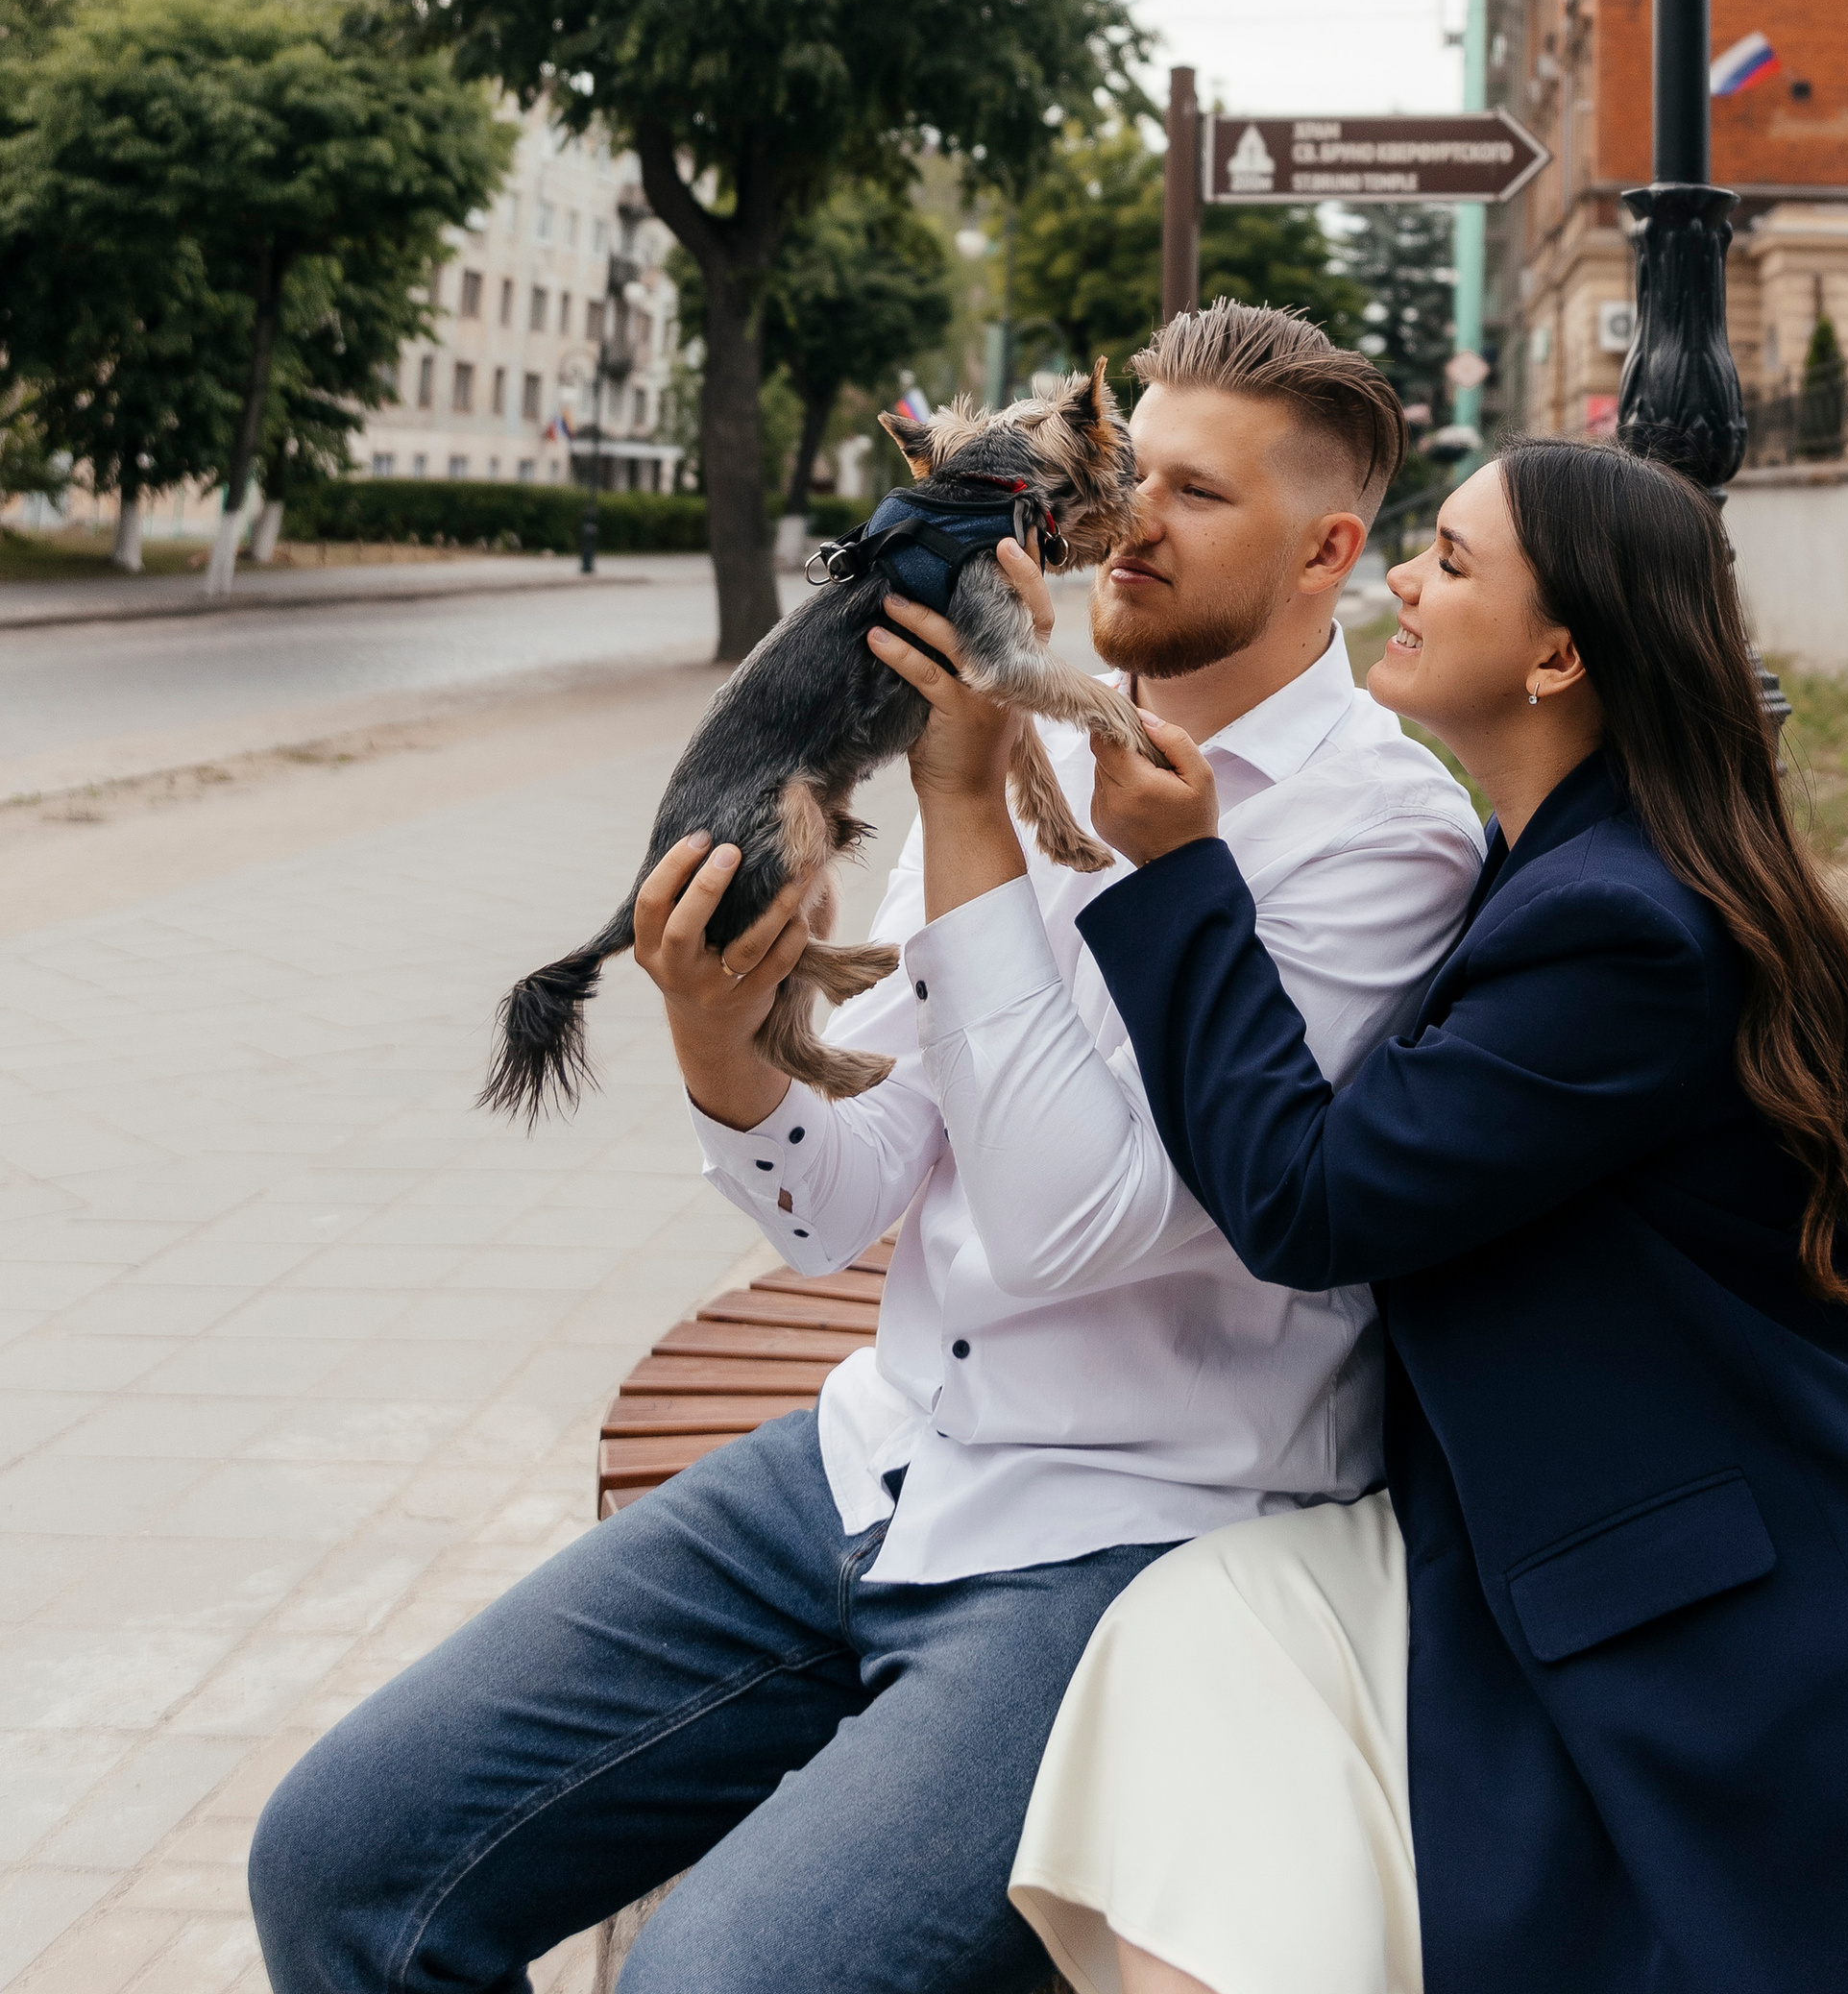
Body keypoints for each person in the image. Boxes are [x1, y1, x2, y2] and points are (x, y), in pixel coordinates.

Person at [248, 303, 1486, 1994]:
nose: (1122, 515)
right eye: (1129, 470)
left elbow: (1065, 1231)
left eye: (1192, 493)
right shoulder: (1036, 717)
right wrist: (718, 1038)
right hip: (874, 1458)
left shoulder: (1381, 836)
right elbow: (842, 1200)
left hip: (1123, 1544)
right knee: (334, 1861)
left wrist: (967, 806)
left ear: (1328, 551)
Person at [992, 438, 1848, 1994]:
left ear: (1560, 652)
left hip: (1766, 1643)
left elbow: (1313, 1203)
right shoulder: (1570, 866)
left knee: (1213, 1709)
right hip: (1577, 1523)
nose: (1401, 579)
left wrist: (1184, 879)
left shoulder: (1618, 929)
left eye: (1448, 559)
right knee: (1188, 1661)